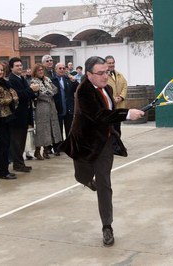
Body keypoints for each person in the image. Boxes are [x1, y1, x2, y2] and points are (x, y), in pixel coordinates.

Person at [60, 56, 144, 247]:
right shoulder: (83, 92)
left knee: (105, 183)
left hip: (104, 144)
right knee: (81, 177)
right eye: (100, 73)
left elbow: (108, 117)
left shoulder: (108, 89)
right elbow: (99, 115)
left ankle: (107, 226)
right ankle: (87, 180)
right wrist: (127, 113)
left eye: (107, 72)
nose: (106, 76)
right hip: (84, 144)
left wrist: (116, 129)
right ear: (88, 75)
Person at [8, 57, 39, 172]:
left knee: (21, 140)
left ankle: (20, 163)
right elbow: (18, 95)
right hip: (16, 115)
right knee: (16, 141)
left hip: (24, 114)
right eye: (17, 66)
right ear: (11, 68)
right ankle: (18, 164)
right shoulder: (11, 80)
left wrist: (34, 91)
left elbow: (28, 94)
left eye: (21, 65)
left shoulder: (21, 78)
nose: (20, 67)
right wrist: (31, 90)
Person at [30, 63, 62, 160]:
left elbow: (55, 89)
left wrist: (49, 92)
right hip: (41, 108)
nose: (41, 71)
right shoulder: (33, 82)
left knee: (51, 128)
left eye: (42, 70)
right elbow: (39, 94)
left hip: (51, 107)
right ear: (35, 72)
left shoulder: (47, 79)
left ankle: (46, 150)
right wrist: (49, 93)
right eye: (38, 70)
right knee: (41, 130)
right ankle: (37, 150)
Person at [51, 62, 78, 154]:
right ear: (56, 70)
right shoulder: (52, 80)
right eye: (60, 68)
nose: (62, 70)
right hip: (57, 108)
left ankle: (69, 146)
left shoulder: (69, 79)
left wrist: (74, 81)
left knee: (69, 128)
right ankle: (57, 148)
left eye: (63, 68)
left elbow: (77, 88)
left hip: (68, 108)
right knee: (57, 129)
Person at [105, 55, 128, 135]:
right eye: (109, 63)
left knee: (117, 129)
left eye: (113, 63)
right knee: (110, 130)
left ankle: (117, 146)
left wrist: (121, 97)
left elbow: (125, 86)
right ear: (105, 64)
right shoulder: (103, 76)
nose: (111, 64)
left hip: (119, 107)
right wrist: (112, 99)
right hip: (109, 108)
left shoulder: (119, 75)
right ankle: (112, 146)